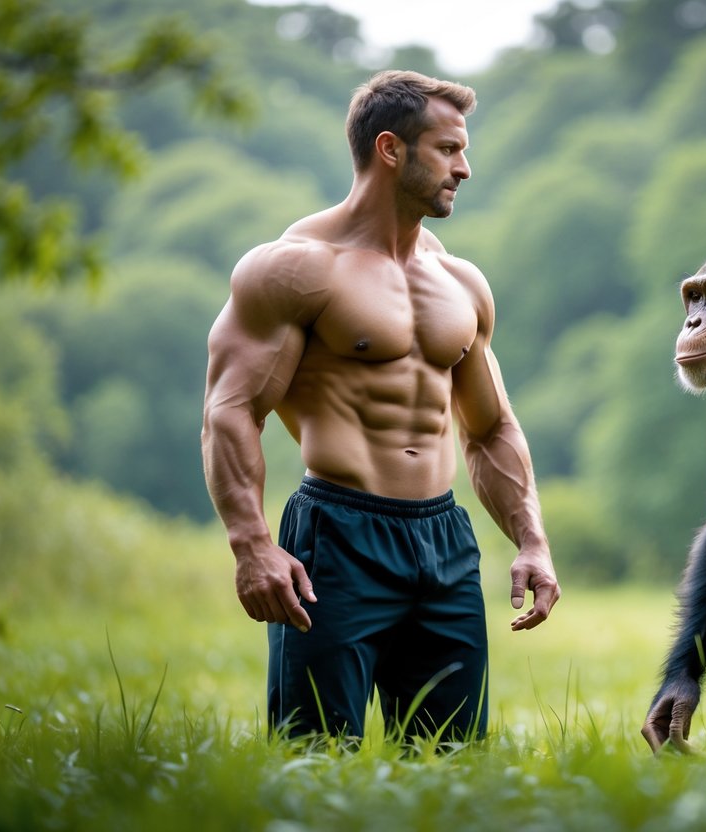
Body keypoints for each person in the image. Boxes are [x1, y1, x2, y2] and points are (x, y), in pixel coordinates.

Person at [201, 70, 560, 745]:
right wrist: (252, 547)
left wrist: (531, 540)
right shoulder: (296, 269)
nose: (465, 169)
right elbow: (230, 411)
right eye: (448, 150)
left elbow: (489, 428)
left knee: (450, 760)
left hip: (444, 541)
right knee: (315, 756)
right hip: (338, 536)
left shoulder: (460, 283)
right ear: (391, 149)